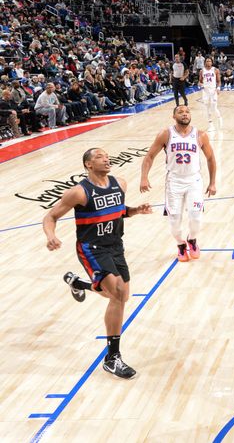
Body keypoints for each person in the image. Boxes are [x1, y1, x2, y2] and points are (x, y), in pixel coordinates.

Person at [44, 148, 152, 379]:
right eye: (99, 156)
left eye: (107, 155)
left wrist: (134, 211)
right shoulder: (79, 192)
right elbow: (50, 216)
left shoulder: (120, 183)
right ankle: (112, 358)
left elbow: (117, 211)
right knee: (118, 292)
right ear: (88, 164)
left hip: (115, 245)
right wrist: (50, 236)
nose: (106, 158)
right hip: (91, 248)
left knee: (121, 296)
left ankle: (80, 284)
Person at [139, 106, 217, 261]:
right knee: (175, 222)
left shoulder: (200, 135)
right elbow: (149, 156)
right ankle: (180, 244)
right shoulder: (166, 134)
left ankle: (192, 240)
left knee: (196, 218)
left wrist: (212, 182)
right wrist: (144, 177)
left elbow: (211, 159)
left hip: (194, 180)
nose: (185, 114)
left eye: (187, 111)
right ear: (173, 116)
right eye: (180, 112)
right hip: (174, 182)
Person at [200, 57, 223, 131]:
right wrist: (200, 84)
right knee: (207, 107)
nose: (208, 62)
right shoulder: (202, 71)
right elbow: (200, 81)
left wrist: (218, 88)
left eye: (209, 61)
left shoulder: (215, 70)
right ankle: (210, 125)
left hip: (213, 90)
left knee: (214, 106)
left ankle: (219, 118)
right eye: (207, 61)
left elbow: (219, 81)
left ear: (212, 62)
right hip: (205, 91)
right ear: (205, 62)